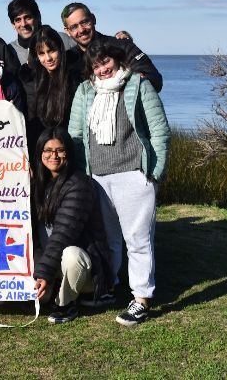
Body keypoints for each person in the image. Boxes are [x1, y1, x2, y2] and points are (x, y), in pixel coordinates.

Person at [68, 42, 171, 326]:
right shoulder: (85, 91)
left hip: (134, 175)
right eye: (95, 66)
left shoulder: (138, 84)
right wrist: (81, 175)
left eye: (106, 63)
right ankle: (109, 286)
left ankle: (141, 299)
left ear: (117, 60)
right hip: (98, 177)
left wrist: (154, 172)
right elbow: (75, 134)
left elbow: (159, 129)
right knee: (109, 240)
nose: (102, 70)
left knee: (137, 240)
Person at [32, 127, 112, 324]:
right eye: (48, 151)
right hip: (51, 262)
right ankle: (51, 289)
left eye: (60, 150)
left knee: (71, 254)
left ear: (68, 152)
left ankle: (65, 303)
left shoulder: (80, 185)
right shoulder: (38, 185)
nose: (54, 156)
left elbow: (62, 235)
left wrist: (43, 273)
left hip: (84, 269)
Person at [61, 2, 163, 92]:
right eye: (74, 27)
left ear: (93, 19)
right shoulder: (67, 60)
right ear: (67, 31)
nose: (81, 30)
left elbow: (155, 80)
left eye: (84, 22)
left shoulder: (122, 46)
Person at [21, 26, 82, 157]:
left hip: (68, 150)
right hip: (39, 151)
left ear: (60, 48)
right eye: (41, 53)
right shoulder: (29, 81)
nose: (48, 58)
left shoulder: (75, 79)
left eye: (51, 51)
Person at [6, 0, 76, 66]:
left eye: (28, 18)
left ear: (38, 16)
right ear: (13, 24)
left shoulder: (62, 40)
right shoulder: (9, 52)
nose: (23, 24)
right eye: (18, 20)